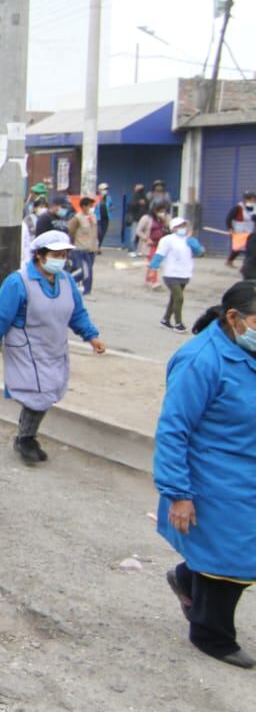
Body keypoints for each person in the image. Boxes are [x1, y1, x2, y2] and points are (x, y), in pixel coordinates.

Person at [155, 281, 256, 669]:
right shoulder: (201, 360)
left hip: (245, 475)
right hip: (215, 483)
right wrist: (178, 493)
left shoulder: (244, 351)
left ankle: (185, 579)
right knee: (230, 563)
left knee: (237, 557)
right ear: (234, 318)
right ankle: (211, 635)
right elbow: (173, 429)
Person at [0, 230, 105, 464]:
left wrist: (91, 336)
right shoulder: (18, 282)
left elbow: (77, 314)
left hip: (54, 349)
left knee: (47, 393)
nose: (61, 259)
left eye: (64, 254)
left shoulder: (66, 281)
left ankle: (26, 436)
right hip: (26, 350)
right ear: (40, 256)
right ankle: (25, 440)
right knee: (38, 396)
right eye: (56, 254)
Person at [150, 216, 204, 333]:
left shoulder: (189, 240)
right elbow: (159, 254)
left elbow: (199, 253)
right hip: (171, 273)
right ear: (173, 228)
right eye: (179, 226)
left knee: (174, 298)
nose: (182, 228)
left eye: (184, 226)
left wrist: (194, 244)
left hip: (185, 274)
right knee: (179, 298)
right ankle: (178, 323)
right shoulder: (167, 240)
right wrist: (153, 267)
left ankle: (165, 320)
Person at [68, 196, 99, 295]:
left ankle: (82, 287)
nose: (91, 207)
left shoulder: (93, 217)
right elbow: (71, 232)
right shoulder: (77, 218)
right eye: (89, 205)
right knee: (85, 271)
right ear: (83, 206)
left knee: (88, 270)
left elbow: (95, 232)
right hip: (80, 248)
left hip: (91, 249)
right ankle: (81, 288)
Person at [224, 191, 256, 267]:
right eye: (251, 199)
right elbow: (228, 218)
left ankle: (247, 265)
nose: (253, 201)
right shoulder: (238, 208)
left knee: (249, 248)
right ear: (245, 199)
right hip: (238, 231)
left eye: (253, 199)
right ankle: (230, 261)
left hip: (248, 231)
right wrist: (230, 228)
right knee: (237, 248)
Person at [126, 183, 149, 253]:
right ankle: (132, 249)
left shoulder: (144, 197)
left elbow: (147, 206)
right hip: (136, 219)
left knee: (140, 235)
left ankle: (138, 250)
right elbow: (131, 206)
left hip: (143, 219)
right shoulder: (135, 197)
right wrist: (138, 203)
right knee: (134, 235)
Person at [96, 182, 112, 250]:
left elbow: (110, 205)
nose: (106, 190)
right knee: (98, 232)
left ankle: (98, 247)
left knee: (103, 233)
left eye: (107, 189)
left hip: (106, 218)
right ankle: (95, 247)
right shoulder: (96, 197)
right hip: (97, 218)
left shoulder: (108, 197)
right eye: (104, 189)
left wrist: (111, 208)